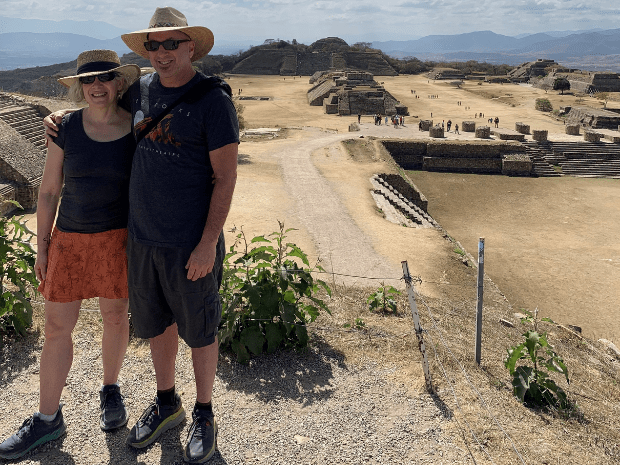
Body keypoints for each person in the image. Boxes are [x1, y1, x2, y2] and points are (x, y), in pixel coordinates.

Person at [45, 7, 239, 463]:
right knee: (158, 325)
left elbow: (226, 179)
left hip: (191, 241)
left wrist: (208, 242)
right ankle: (167, 401)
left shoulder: (213, 101)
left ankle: (205, 412)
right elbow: (100, 102)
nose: (163, 52)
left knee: (201, 329)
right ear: (145, 51)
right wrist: (60, 115)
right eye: (154, 45)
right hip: (143, 239)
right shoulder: (142, 90)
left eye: (173, 43)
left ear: (191, 46)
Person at [0, 50, 140, 460]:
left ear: (119, 84)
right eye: (88, 81)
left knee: (115, 317)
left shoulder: (134, 127)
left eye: (105, 79)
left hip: (117, 240)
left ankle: (110, 389)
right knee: (57, 330)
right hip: (70, 240)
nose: (97, 87)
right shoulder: (65, 127)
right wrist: (42, 248)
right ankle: (47, 418)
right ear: (81, 87)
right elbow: (47, 191)